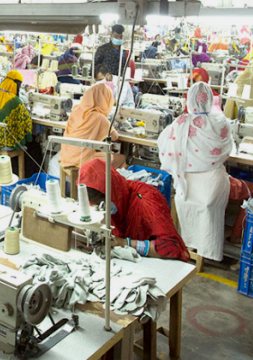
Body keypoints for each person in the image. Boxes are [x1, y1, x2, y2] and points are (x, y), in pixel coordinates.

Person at [159, 82, 234, 261]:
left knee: (183, 198)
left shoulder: (181, 122)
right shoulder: (221, 122)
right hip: (212, 187)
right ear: (210, 99)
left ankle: (185, 242)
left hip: (188, 189)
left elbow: (164, 144)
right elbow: (229, 149)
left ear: (190, 100)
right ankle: (209, 249)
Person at [78, 159, 189, 261]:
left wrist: (124, 242)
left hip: (157, 262)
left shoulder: (146, 201)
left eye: (102, 204)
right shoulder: (111, 194)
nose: (101, 209)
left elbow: (171, 247)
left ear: (112, 193)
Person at [59, 83, 125, 170]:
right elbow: (115, 137)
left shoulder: (76, 110)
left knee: (97, 151)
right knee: (121, 159)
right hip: (82, 160)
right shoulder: (99, 118)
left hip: (67, 156)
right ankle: (100, 179)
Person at [0, 71, 32, 163]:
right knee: (32, 146)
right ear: (16, 85)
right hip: (6, 144)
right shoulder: (15, 101)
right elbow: (27, 121)